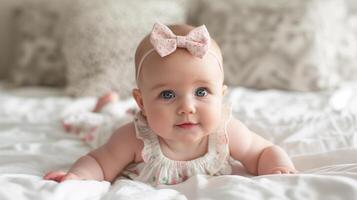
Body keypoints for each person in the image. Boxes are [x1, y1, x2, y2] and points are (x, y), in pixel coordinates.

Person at [44, 22, 297, 186]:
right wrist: (77, 177)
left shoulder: (226, 132)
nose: (187, 107)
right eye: (167, 95)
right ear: (142, 102)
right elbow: (99, 163)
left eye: (201, 91)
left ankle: (114, 105)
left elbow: (262, 151)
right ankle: (105, 108)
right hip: (113, 128)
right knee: (96, 125)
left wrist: (279, 167)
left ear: (221, 96)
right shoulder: (131, 139)